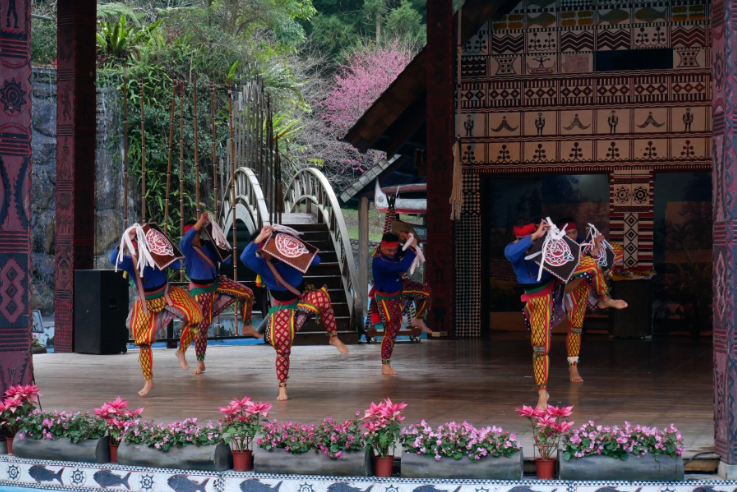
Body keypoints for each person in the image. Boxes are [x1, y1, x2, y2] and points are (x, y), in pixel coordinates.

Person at [241, 225, 349, 401]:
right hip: (282, 307)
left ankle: (333, 337)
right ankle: (282, 388)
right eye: (261, 251)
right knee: (282, 348)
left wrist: (293, 246)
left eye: (266, 249)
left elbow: (316, 261)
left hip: (303, 298)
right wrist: (260, 237)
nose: (264, 254)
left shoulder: (290, 257)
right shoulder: (261, 264)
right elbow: (245, 257)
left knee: (323, 299)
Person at [110, 227, 203, 397]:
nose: (135, 249)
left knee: (195, 317)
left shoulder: (156, 254)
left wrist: (160, 247)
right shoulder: (131, 262)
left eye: (137, 245)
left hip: (168, 294)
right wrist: (123, 242)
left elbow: (177, 264)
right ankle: (148, 381)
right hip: (147, 302)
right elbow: (113, 259)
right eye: (133, 247)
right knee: (143, 342)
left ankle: (181, 350)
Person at [180, 212, 262, 376]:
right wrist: (200, 221)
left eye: (198, 233)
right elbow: (185, 239)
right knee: (202, 327)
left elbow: (226, 260)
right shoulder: (185, 248)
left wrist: (219, 242)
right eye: (193, 233)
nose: (196, 236)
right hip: (200, 290)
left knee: (247, 293)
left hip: (216, 282)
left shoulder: (208, 245)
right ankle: (200, 361)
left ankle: (246, 325)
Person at [558, 219, 627, 384]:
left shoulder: (582, 245)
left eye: (573, 232)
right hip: (567, 291)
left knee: (612, 251)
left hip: (583, 288)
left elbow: (595, 258)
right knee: (574, 328)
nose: (572, 236)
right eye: (567, 234)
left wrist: (597, 248)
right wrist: (586, 272)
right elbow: (564, 288)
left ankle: (604, 299)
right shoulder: (557, 253)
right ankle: (573, 367)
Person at [504, 220, 562, 409]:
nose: (521, 242)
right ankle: (543, 391)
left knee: (541, 348)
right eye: (519, 239)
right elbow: (511, 254)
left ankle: (542, 395)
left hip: (549, 294)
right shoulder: (514, 249)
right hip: (530, 299)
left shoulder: (548, 245)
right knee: (537, 346)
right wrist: (532, 238)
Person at [370, 231, 419, 376]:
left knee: (424, 292)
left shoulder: (391, 254)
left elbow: (403, 254)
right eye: (389, 250)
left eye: (394, 250)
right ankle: (385, 365)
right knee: (391, 330)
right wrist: (411, 248)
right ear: (381, 246)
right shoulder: (378, 261)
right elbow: (400, 267)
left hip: (397, 294)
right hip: (385, 299)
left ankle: (419, 320)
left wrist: (408, 241)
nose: (392, 253)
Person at [391, 222, 433, 335]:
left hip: (403, 283)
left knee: (426, 290)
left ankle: (418, 318)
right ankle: (417, 319)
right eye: (406, 235)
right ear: (402, 235)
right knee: (425, 291)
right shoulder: (391, 249)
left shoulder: (402, 249)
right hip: (394, 284)